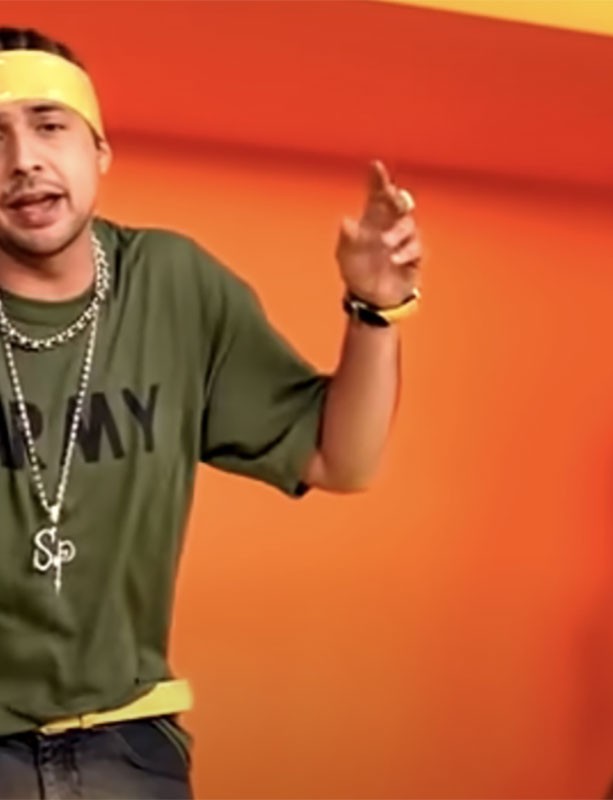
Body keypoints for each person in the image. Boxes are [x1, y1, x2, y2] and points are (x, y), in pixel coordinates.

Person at [0, 25, 424, 800]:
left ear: (99, 151)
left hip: (125, 737)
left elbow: (342, 459)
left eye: (49, 125)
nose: (22, 159)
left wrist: (375, 308)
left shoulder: (173, 284)